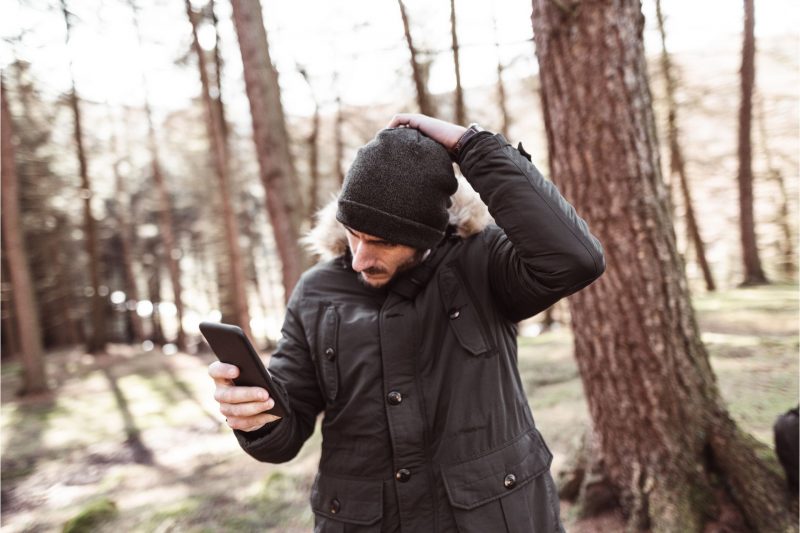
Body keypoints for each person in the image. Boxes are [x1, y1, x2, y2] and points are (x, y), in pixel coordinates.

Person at [209, 114, 605, 532]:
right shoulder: (316, 290)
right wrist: (256, 418)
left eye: (383, 242)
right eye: (353, 233)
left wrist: (475, 147)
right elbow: (287, 433)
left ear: (428, 234)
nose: (360, 258)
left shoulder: (483, 264)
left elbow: (575, 259)